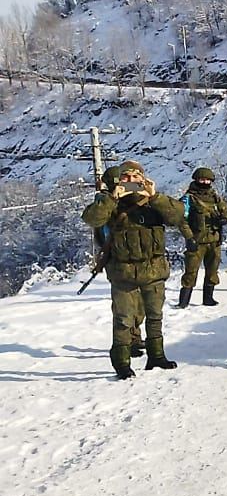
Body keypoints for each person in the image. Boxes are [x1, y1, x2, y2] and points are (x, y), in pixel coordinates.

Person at [81, 161, 194, 379]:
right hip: (123, 273)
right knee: (123, 319)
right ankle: (122, 363)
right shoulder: (110, 203)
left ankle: (157, 355)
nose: (132, 182)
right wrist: (113, 197)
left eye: (136, 178)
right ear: (120, 180)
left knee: (155, 316)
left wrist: (154, 196)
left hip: (153, 271)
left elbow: (178, 216)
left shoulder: (153, 202)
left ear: (143, 179)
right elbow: (91, 218)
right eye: (127, 178)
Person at [90, 167, 143, 358]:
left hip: (138, 258)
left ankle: (135, 337)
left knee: (139, 304)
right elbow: (97, 223)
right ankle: (125, 342)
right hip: (116, 257)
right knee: (123, 307)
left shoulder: (135, 196)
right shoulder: (105, 200)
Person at [178, 167, 227, 308]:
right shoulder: (188, 199)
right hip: (197, 241)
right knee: (190, 272)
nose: (205, 182)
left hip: (214, 239)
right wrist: (189, 238)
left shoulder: (215, 197)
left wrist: (224, 219)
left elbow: (225, 211)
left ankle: (208, 298)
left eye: (208, 180)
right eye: (202, 180)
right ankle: (184, 301)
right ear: (196, 180)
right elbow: (181, 220)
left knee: (213, 271)